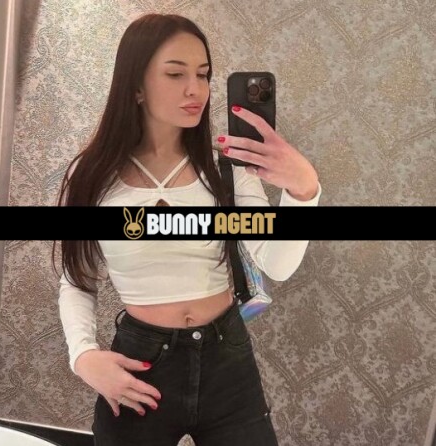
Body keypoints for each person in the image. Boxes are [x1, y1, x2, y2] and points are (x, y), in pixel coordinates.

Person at [55, 13, 321, 446]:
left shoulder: (225, 169)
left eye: (203, 74)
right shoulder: (94, 176)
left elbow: (278, 265)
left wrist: (303, 191)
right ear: (136, 86)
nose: (195, 89)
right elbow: (76, 279)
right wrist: (83, 356)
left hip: (227, 361)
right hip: (142, 367)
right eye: (176, 74)